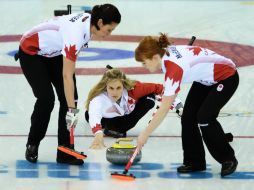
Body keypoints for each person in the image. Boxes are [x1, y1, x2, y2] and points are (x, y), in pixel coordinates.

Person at [16, 4, 121, 165]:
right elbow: (67, 76)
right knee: (46, 99)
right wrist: (71, 111)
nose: (109, 34)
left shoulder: (89, 22)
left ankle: (64, 150)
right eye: (109, 30)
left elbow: (69, 75)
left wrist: (71, 105)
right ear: (100, 23)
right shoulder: (76, 34)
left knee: (71, 98)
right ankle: (33, 143)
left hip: (53, 51)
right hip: (32, 51)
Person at [134, 33, 239, 177]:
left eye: (144, 62)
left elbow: (164, 108)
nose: (144, 66)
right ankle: (195, 162)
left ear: (155, 57)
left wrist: (145, 134)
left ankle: (228, 159)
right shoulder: (166, 51)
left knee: (204, 117)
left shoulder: (173, 70)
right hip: (205, 79)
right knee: (188, 117)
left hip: (226, 77)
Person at [85, 68, 182, 149]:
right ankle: (111, 128)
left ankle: (116, 129)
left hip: (125, 117)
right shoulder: (99, 98)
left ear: (123, 85)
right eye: (111, 88)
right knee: (89, 115)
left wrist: (177, 104)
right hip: (105, 119)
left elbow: (160, 89)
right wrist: (98, 134)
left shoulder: (135, 89)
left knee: (150, 99)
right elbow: (94, 115)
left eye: (118, 88)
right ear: (105, 86)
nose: (115, 92)